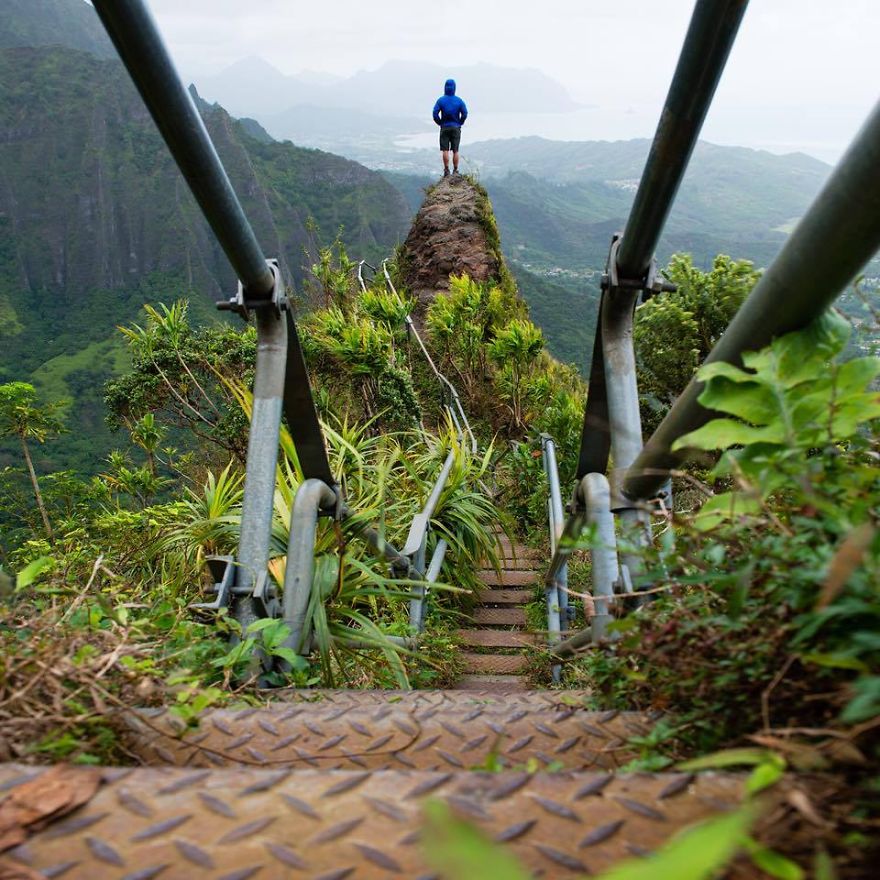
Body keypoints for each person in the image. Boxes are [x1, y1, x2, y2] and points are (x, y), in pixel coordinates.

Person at [432, 79, 468, 177]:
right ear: (454, 88)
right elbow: (465, 113)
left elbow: (435, 113)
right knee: (455, 150)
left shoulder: (441, 100)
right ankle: (455, 170)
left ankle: (446, 170)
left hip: (445, 128)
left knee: (445, 150)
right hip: (456, 128)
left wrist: (440, 123)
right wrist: (460, 122)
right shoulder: (459, 101)